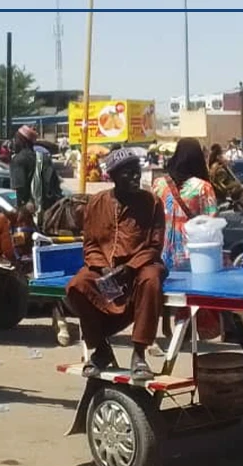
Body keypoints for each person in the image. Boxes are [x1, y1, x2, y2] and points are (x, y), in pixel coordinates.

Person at [64, 148, 166, 382]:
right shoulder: (97, 203)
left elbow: (154, 245)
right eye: (128, 173)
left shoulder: (151, 202)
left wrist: (130, 267)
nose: (135, 178)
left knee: (151, 279)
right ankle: (100, 348)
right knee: (77, 285)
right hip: (106, 270)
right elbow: (90, 244)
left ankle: (139, 353)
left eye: (137, 172)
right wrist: (103, 268)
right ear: (113, 177)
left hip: (140, 266)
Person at [151, 137, 218, 271]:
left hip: (163, 253)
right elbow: (211, 223)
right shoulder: (203, 187)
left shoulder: (159, 183)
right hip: (192, 254)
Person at [9, 125, 64, 225]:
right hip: (52, 213)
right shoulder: (45, 158)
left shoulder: (18, 160)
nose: (14, 142)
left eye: (16, 139)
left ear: (22, 140)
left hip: (28, 216)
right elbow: (55, 184)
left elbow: (19, 190)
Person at [207, 143, 243, 212]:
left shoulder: (216, 167)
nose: (225, 156)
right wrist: (237, 185)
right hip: (226, 198)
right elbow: (223, 188)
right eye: (223, 154)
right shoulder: (220, 170)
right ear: (218, 156)